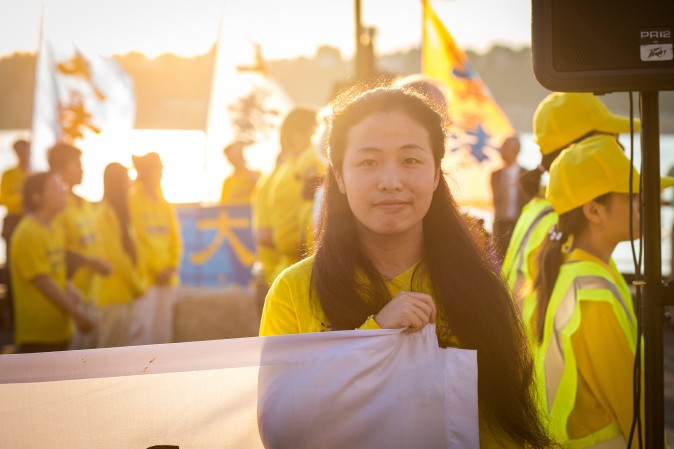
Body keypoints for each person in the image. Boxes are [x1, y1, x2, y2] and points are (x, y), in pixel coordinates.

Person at [260, 87, 556, 448]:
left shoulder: (482, 290)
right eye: (368, 162)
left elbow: (502, 430)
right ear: (339, 176)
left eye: (411, 161)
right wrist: (375, 339)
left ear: (435, 174)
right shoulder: (293, 290)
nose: (391, 181)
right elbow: (280, 430)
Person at [526, 135, 672, 447]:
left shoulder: (569, 270)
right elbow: (633, 412)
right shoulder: (592, 293)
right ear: (594, 211)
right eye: (633, 196)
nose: (645, 204)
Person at [501, 92, 639, 309]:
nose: (620, 150)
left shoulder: (542, 211)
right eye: (611, 140)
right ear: (581, 151)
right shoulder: (564, 228)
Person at [10, 172, 95, 353]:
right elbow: (43, 282)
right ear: (37, 197)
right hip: (38, 336)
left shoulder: (55, 228)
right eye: (55, 188)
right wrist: (77, 314)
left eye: (61, 187)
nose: (63, 192)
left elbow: (57, 274)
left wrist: (73, 291)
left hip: (61, 332)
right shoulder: (28, 233)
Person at [49, 142, 112, 349]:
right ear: (59, 169)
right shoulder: (56, 207)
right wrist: (90, 263)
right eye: (76, 164)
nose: (82, 169)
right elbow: (55, 251)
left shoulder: (83, 204)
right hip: (71, 298)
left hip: (93, 294)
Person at [129, 152, 181, 344]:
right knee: (143, 334)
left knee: (162, 334)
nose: (160, 175)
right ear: (145, 172)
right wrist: (157, 270)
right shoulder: (133, 200)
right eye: (157, 171)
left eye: (161, 170)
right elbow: (138, 240)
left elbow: (175, 240)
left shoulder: (164, 203)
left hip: (167, 279)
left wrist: (171, 267)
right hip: (147, 280)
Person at [267, 107, 323, 280]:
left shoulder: (293, 171)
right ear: (298, 137)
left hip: (297, 272)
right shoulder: (296, 174)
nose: (321, 141)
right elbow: (287, 240)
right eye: (316, 133)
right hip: (300, 275)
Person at [95, 163, 146, 348]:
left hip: (125, 296)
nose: (130, 184)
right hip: (112, 297)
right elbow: (116, 257)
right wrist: (137, 286)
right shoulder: (105, 213)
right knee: (107, 355)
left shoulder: (122, 213)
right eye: (126, 179)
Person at [0, 139, 30, 334]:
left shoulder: (34, 173)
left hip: (28, 221)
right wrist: (23, 197)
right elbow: (2, 198)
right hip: (13, 221)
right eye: (19, 150)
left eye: (25, 150)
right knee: (12, 270)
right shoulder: (10, 174)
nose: (23, 154)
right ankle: (11, 319)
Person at [490, 135, 530, 265]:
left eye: (505, 148)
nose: (501, 152)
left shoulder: (527, 176)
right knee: (499, 262)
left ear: (515, 151)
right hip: (500, 226)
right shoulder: (495, 175)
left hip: (518, 225)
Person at [219, 140, 261, 205]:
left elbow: (262, 190)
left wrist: (242, 164)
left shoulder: (256, 174)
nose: (233, 158)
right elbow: (222, 206)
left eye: (235, 154)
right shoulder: (228, 182)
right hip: (234, 214)